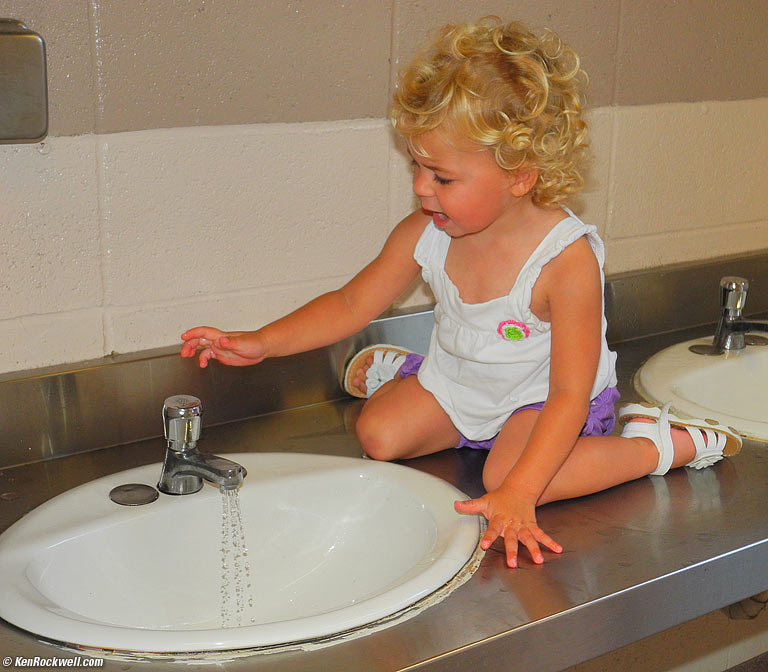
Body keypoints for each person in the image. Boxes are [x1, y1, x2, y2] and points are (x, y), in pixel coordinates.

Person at [181, 17, 741, 569]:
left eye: (441, 177)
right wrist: (262, 341)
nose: (422, 189)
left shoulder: (564, 261)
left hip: (544, 399)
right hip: (464, 382)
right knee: (379, 434)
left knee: (507, 474)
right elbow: (353, 304)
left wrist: (519, 494)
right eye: (418, 168)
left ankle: (659, 446)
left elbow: (570, 392)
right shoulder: (426, 232)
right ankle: (417, 371)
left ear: (519, 176)